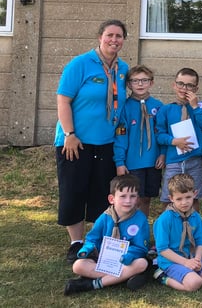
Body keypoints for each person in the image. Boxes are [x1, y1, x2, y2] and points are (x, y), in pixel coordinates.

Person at [56, 19, 129, 263]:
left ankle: (96, 240)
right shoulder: (80, 64)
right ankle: (76, 242)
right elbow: (63, 100)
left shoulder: (122, 69)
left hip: (105, 142)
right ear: (100, 37)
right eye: (110, 35)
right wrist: (69, 134)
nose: (114, 40)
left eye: (119, 36)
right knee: (74, 190)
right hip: (75, 141)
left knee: (100, 192)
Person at [63, 174, 150, 295]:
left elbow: (141, 247)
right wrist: (87, 248)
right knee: (78, 266)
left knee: (142, 263)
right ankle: (123, 278)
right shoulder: (105, 217)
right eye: (123, 196)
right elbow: (93, 238)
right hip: (103, 260)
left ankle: (94, 283)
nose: (128, 201)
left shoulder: (140, 219)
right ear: (111, 199)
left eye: (133, 196)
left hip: (126, 260)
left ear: (137, 199)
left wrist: (129, 255)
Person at [155, 68, 202, 213]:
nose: (184, 88)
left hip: (194, 160)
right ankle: (169, 227)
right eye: (180, 84)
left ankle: (193, 229)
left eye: (189, 85)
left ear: (196, 88)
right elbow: (159, 135)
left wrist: (194, 106)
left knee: (194, 197)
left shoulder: (201, 107)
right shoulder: (166, 110)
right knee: (169, 198)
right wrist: (173, 141)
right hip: (173, 160)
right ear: (174, 85)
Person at [153, 173, 202, 291]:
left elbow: (200, 242)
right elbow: (162, 249)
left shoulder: (195, 216)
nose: (184, 202)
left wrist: (197, 260)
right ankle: (163, 277)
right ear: (171, 198)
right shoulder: (165, 219)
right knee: (195, 283)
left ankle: (190, 272)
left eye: (188, 197)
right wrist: (186, 263)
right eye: (179, 199)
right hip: (171, 261)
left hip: (190, 256)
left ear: (194, 194)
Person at [114, 65, 164, 218]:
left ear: (151, 83)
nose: (140, 84)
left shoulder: (159, 106)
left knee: (146, 198)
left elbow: (162, 133)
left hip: (153, 161)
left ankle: (141, 229)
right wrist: (119, 162)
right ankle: (128, 229)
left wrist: (163, 154)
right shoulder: (125, 108)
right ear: (128, 84)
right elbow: (120, 136)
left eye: (144, 80)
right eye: (135, 81)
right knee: (133, 199)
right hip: (132, 163)